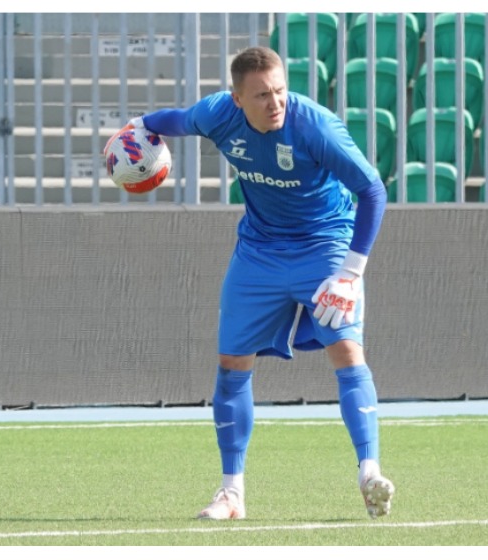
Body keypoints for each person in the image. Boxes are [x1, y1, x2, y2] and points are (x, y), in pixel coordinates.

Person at [108, 46, 393, 520]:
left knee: (346, 350)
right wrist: (138, 127)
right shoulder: (217, 115)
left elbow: (372, 190)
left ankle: (369, 473)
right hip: (259, 250)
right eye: (262, 95)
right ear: (237, 99)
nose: (275, 102)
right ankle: (231, 494)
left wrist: (349, 273)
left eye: (280, 91)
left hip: (325, 244)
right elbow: (174, 120)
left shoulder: (316, 127)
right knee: (231, 364)